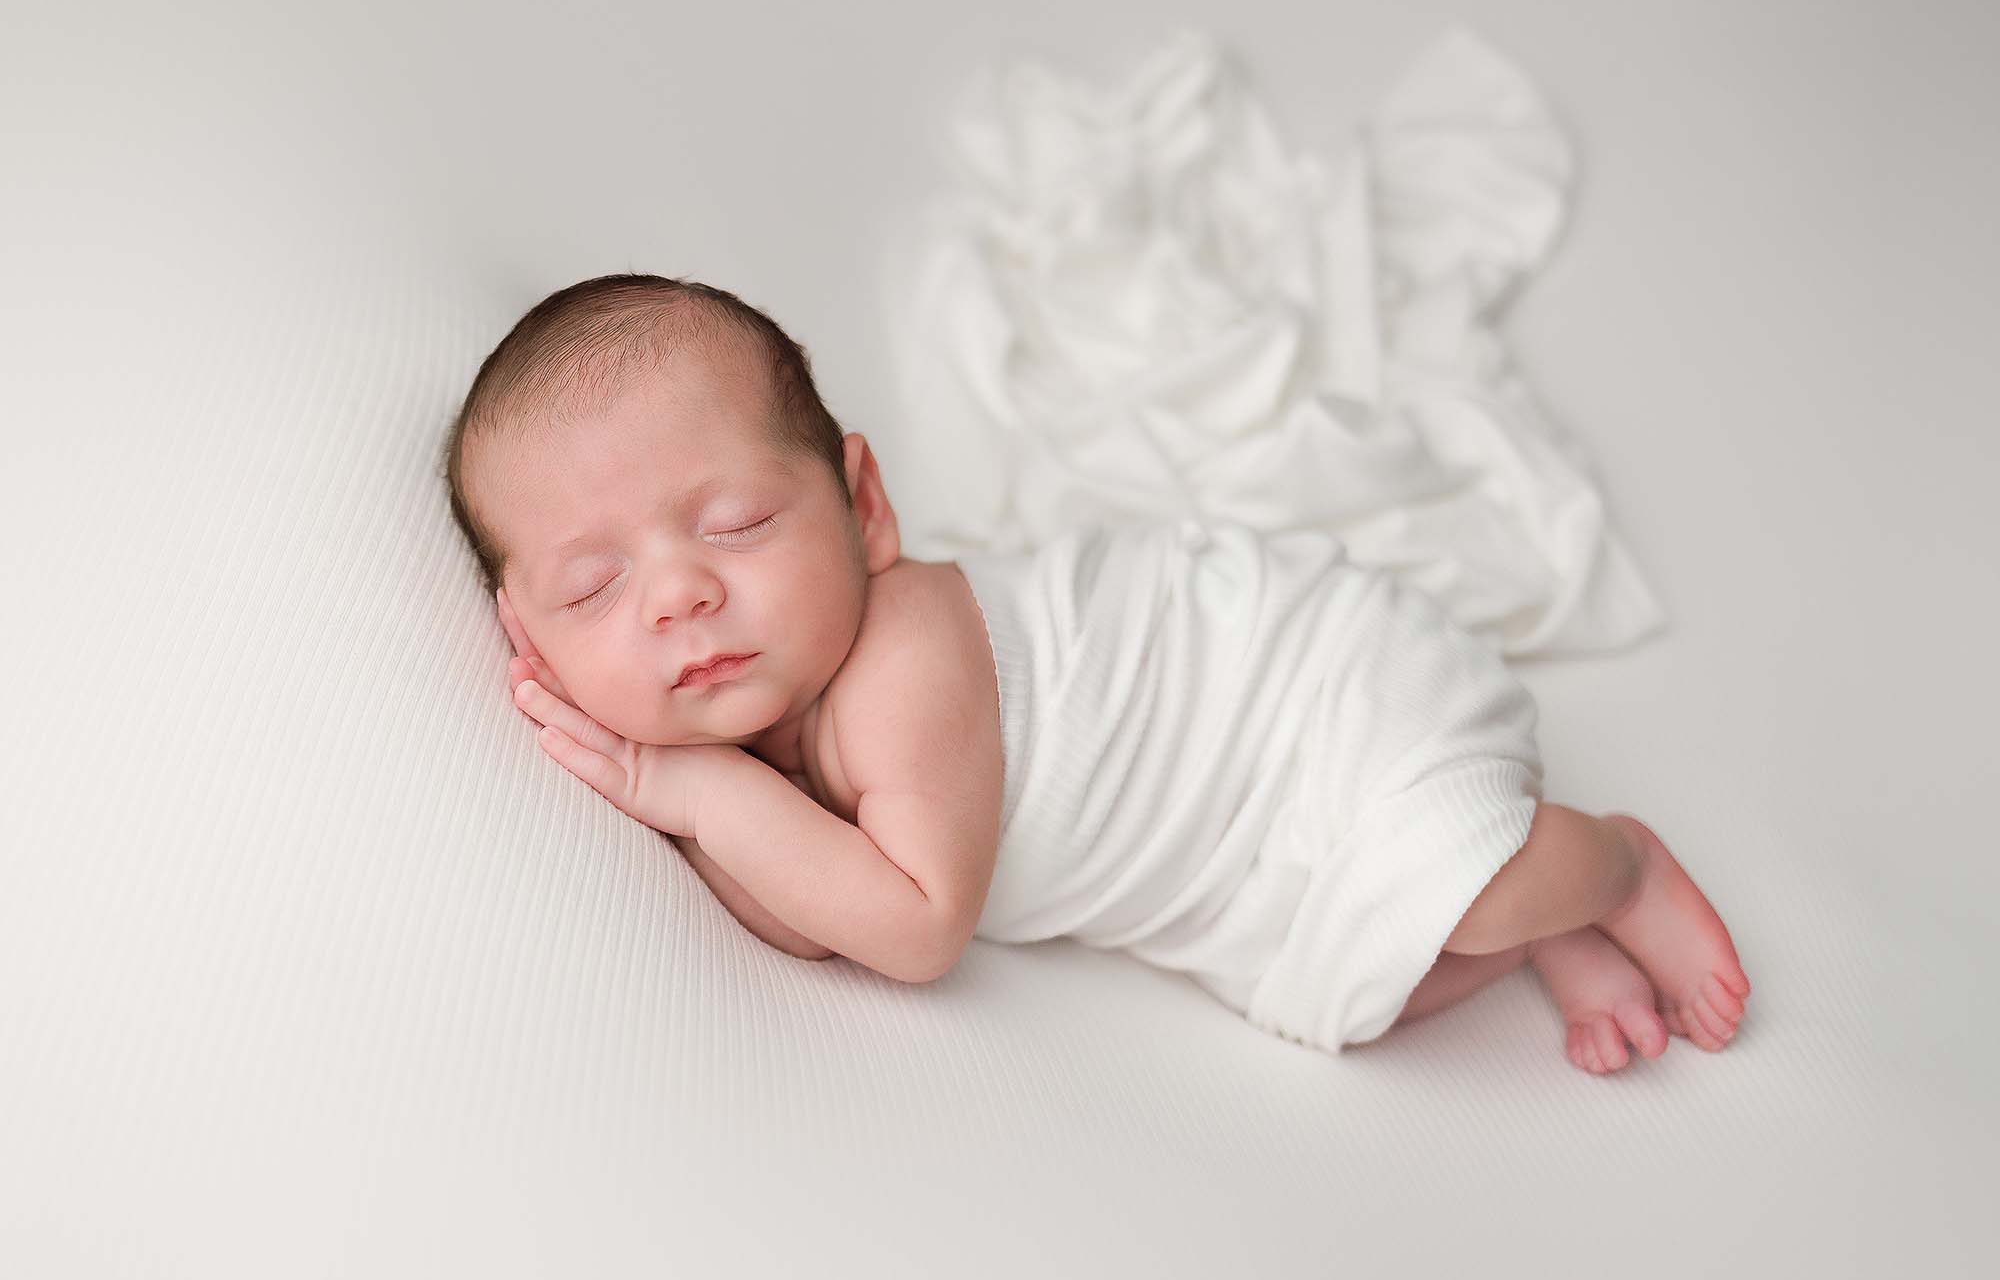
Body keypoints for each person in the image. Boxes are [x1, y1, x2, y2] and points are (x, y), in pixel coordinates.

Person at [441, 273, 1751, 1075]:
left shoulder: (906, 655)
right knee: (1371, 995)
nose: (681, 592)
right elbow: (806, 911)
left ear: (864, 509)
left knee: (1464, 890)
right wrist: (700, 780)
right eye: (592, 588)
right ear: (530, 636)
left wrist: (676, 783)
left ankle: (1613, 863)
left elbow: (909, 923)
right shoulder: (767, 737)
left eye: (735, 524)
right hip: (1228, 845)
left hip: (1302, 701)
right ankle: (1555, 925)